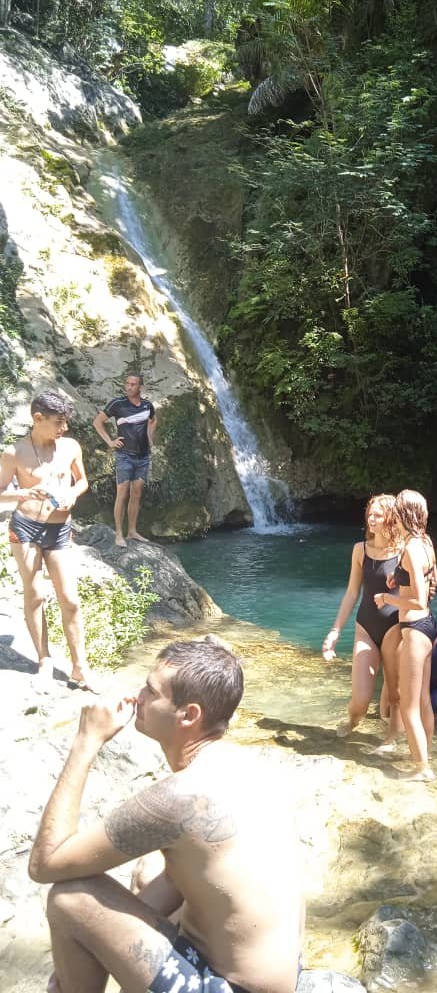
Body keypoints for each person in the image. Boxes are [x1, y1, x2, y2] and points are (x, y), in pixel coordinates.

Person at [28, 637, 304, 993]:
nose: (138, 696)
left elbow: (46, 864)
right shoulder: (248, 766)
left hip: (230, 989)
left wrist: (87, 741)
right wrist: (93, 945)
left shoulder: (180, 797)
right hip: (279, 978)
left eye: (151, 691)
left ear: (189, 715)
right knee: (151, 872)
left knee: (71, 898)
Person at [0, 390, 95, 691]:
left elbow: (82, 481)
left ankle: (80, 667)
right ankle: (44, 660)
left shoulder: (70, 447)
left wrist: (71, 494)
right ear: (38, 418)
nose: (63, 428)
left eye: (65, 422)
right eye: (58, 422)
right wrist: (23, 493)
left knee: (70, 599)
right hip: (25, 528)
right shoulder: (15, 453)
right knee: (36, 594)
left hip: (59, 529)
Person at [322, 494, 402, 737]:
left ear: (390, 518)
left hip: (394, 627)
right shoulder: (360, 550)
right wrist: (335, 631)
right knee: (360, 700)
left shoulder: (404, 551)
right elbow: (351, 593)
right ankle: (353, 720)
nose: (371, 518)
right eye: (370, 513)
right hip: (366, 626)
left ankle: (391, 738)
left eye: (378, 514)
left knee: (395, 696)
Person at [374, 489, 437, 781]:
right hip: (428, 627)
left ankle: (422, 768)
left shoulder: (412, 548)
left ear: (404, 513)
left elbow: (420, 600)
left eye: (396, 509)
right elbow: (422, 580)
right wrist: (396, 578)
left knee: (410, 706)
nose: (393, 515)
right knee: (423, 700)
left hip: (414, 628)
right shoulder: (423, 542)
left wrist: (388, 599)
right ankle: (425, 753)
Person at [93, 373, 156, 548]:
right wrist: (110, 442)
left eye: (133, 384)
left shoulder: (147, 406)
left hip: (143, 456)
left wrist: (150, 438)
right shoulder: (117, 404)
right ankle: (119, 534)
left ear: (140, 387)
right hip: (124, 455)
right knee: (122, 494)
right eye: (127, 384)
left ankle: (132, 531)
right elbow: (97, 422)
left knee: (136, 494)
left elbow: (153, 420)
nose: (129, 387)